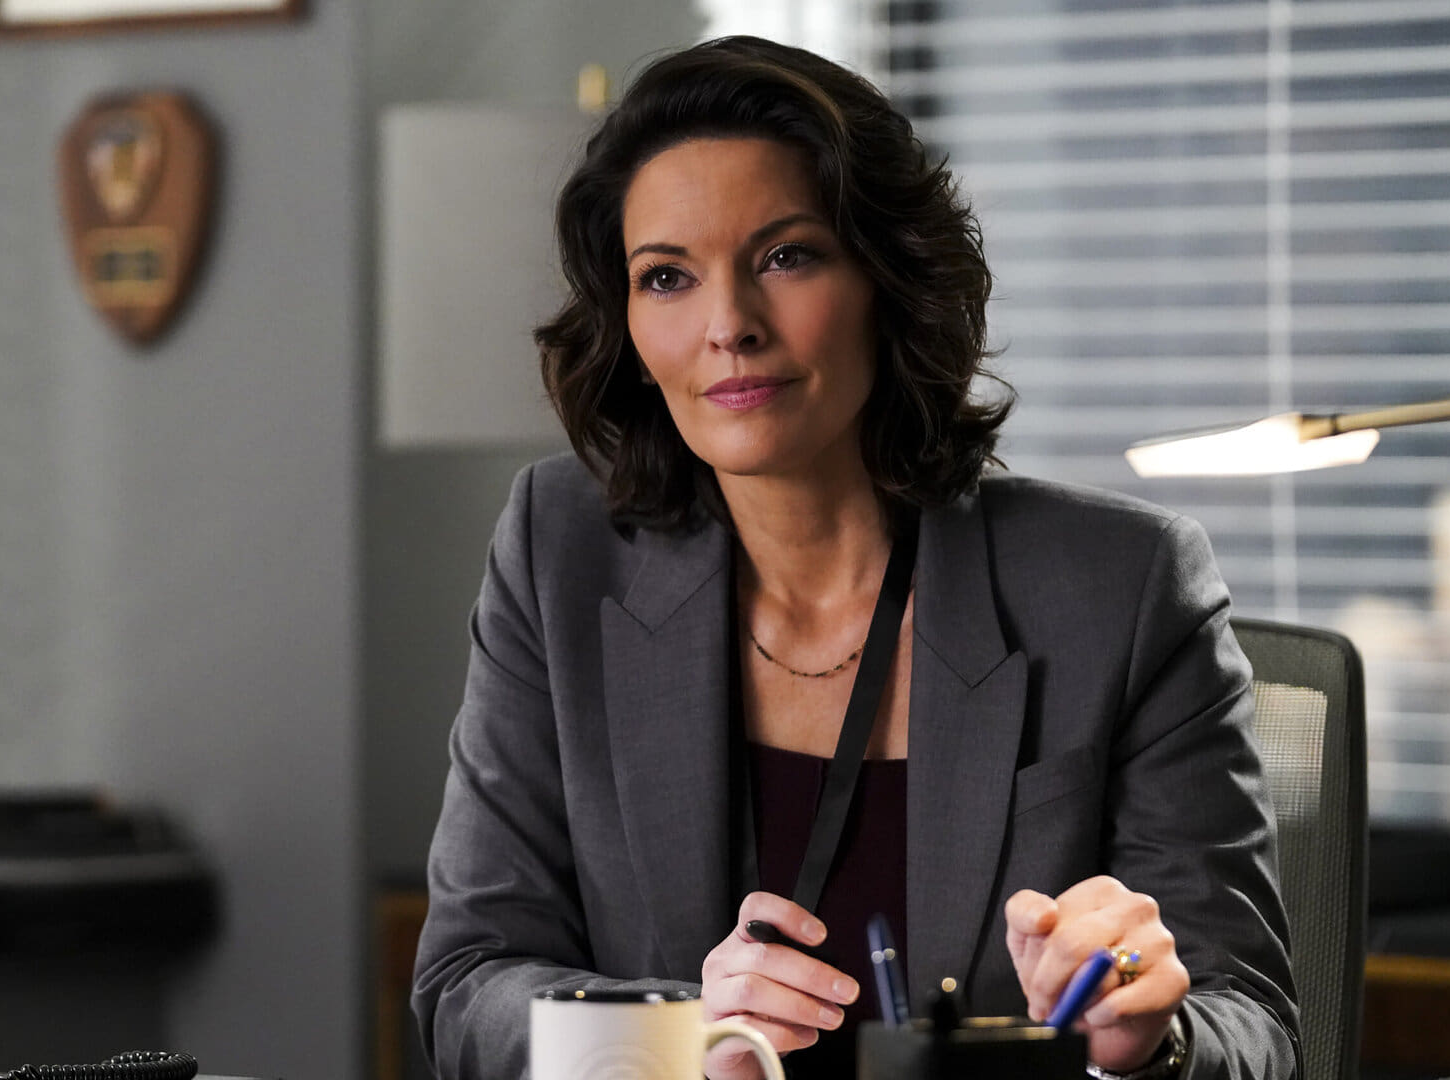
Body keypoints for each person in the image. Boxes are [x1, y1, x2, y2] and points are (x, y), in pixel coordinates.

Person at [410, 35, 1298, 1080]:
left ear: (889, 277)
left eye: (786, 257)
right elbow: (465, 985)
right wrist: (678, 1038)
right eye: (667, 277)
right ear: (629, 328)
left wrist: (1147, 1043)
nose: (729, 325)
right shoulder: (558, 551)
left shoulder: (1123, 586)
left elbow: (1257, 1023)